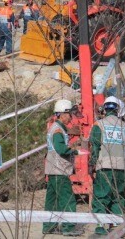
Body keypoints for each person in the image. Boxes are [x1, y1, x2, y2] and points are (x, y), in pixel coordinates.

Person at [90, 96, 125, 235]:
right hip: (120, 168)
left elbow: (95, 148)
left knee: (102, 197)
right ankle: (117, 225)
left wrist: (93, 166)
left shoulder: (99, 125)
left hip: (105, 167)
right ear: (118, 110)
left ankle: (101, 227)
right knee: (118, 197)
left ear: (105, 109)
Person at [43, 99, 83, 236]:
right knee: (67, 199)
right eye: (69, 114)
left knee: (52, 200)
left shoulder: (56, 128)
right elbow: (61, 149)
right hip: (59, 170)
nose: (71, 117)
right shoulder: (58, 130)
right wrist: (76, 151)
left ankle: (48, 226)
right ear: (61, 114)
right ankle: (69, 228)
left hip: (53, 169)